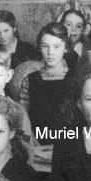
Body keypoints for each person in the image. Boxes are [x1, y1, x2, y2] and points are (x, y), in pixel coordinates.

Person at [20, 22, 84, 171]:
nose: (50, 52)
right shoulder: (30, 80)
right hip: (39, 147)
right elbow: (22, 117)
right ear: (39, 48)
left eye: (56, 47)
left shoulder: (77, 80)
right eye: (45, 46)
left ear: (66, 48)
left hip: (71, 148)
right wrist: (30, 142)